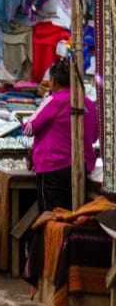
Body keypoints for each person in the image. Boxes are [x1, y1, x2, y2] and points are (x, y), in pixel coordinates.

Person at [23, 58, 98, 212]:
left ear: (53, 81)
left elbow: (29, 129)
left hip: (53, 168)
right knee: (71, 214)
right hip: (80, 168)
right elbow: (95, 136)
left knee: (51, 217)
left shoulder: (53, 100)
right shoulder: (89, 103)